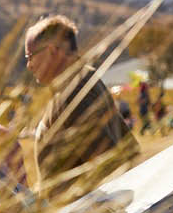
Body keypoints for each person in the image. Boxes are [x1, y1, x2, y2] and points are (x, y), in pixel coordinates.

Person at [25, 15, 139, 192]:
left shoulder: (72, 95)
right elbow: (129, 148)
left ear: (52, 51)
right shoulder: (86, 78)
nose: (28, 65)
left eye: (30, 56)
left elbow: (108, 165)